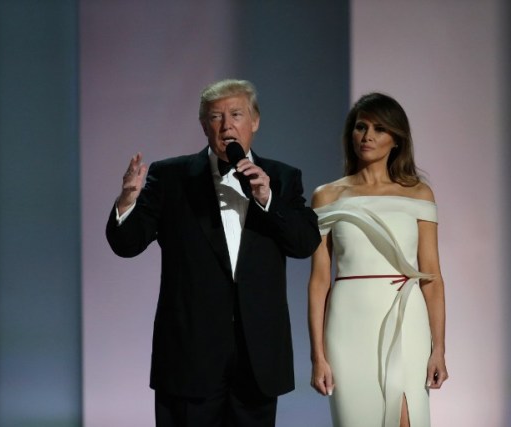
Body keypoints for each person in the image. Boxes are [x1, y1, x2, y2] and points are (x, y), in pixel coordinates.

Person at [106, 79, 321, 427]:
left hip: (257, 359)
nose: (227, 125)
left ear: (255, 121)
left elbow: (304, 244)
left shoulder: (281, 178)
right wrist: (127, 200)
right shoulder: (171, 177)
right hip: (189, 356)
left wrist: (267, 200)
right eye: (216, 117)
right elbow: (127, 244)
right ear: (204, 126)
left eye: (236, 114)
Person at [307, 93, 448, 427]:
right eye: (361, 127)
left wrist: (439, 348)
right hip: (347, 325)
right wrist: (317, 356)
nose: (368, 135)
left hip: (406, 318)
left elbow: (432, 277)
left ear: (396, 139)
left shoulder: (418, 193)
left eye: (379, 128)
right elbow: (319, 281)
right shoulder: (327, 196)